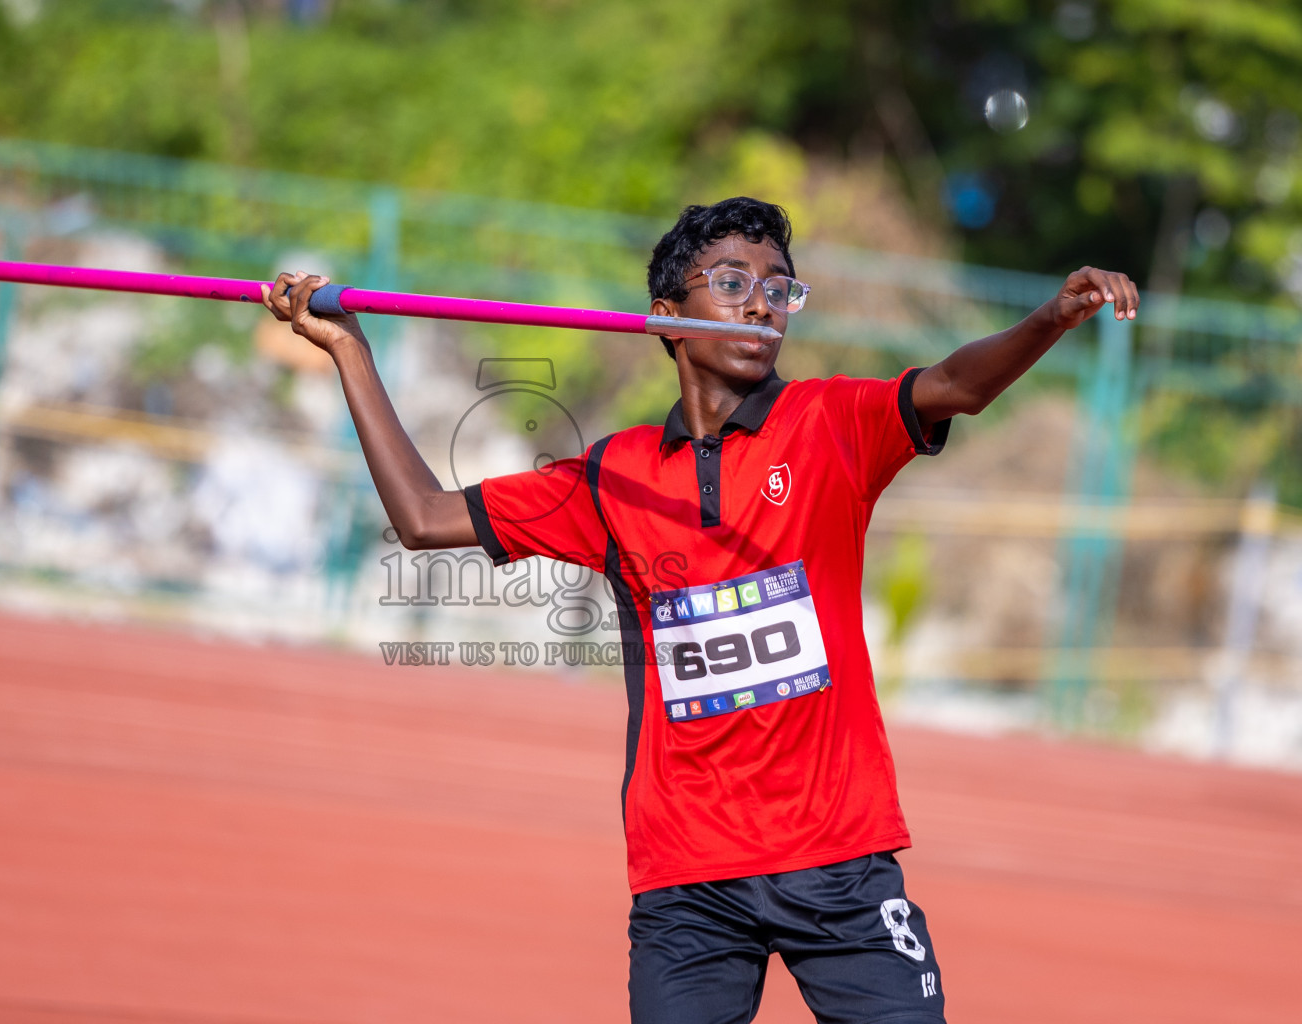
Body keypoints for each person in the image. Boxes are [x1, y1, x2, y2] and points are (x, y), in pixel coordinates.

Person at [262, 196, 1139, 1024]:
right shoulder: (613, 477)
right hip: (688, 879)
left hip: (838, 860)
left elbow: (956, 384)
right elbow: (421, 517)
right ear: (664, 312)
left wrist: (1047, 322)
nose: (763, 307)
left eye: (778, 289)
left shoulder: (830, 425)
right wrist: (349, 351)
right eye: (731, 283)